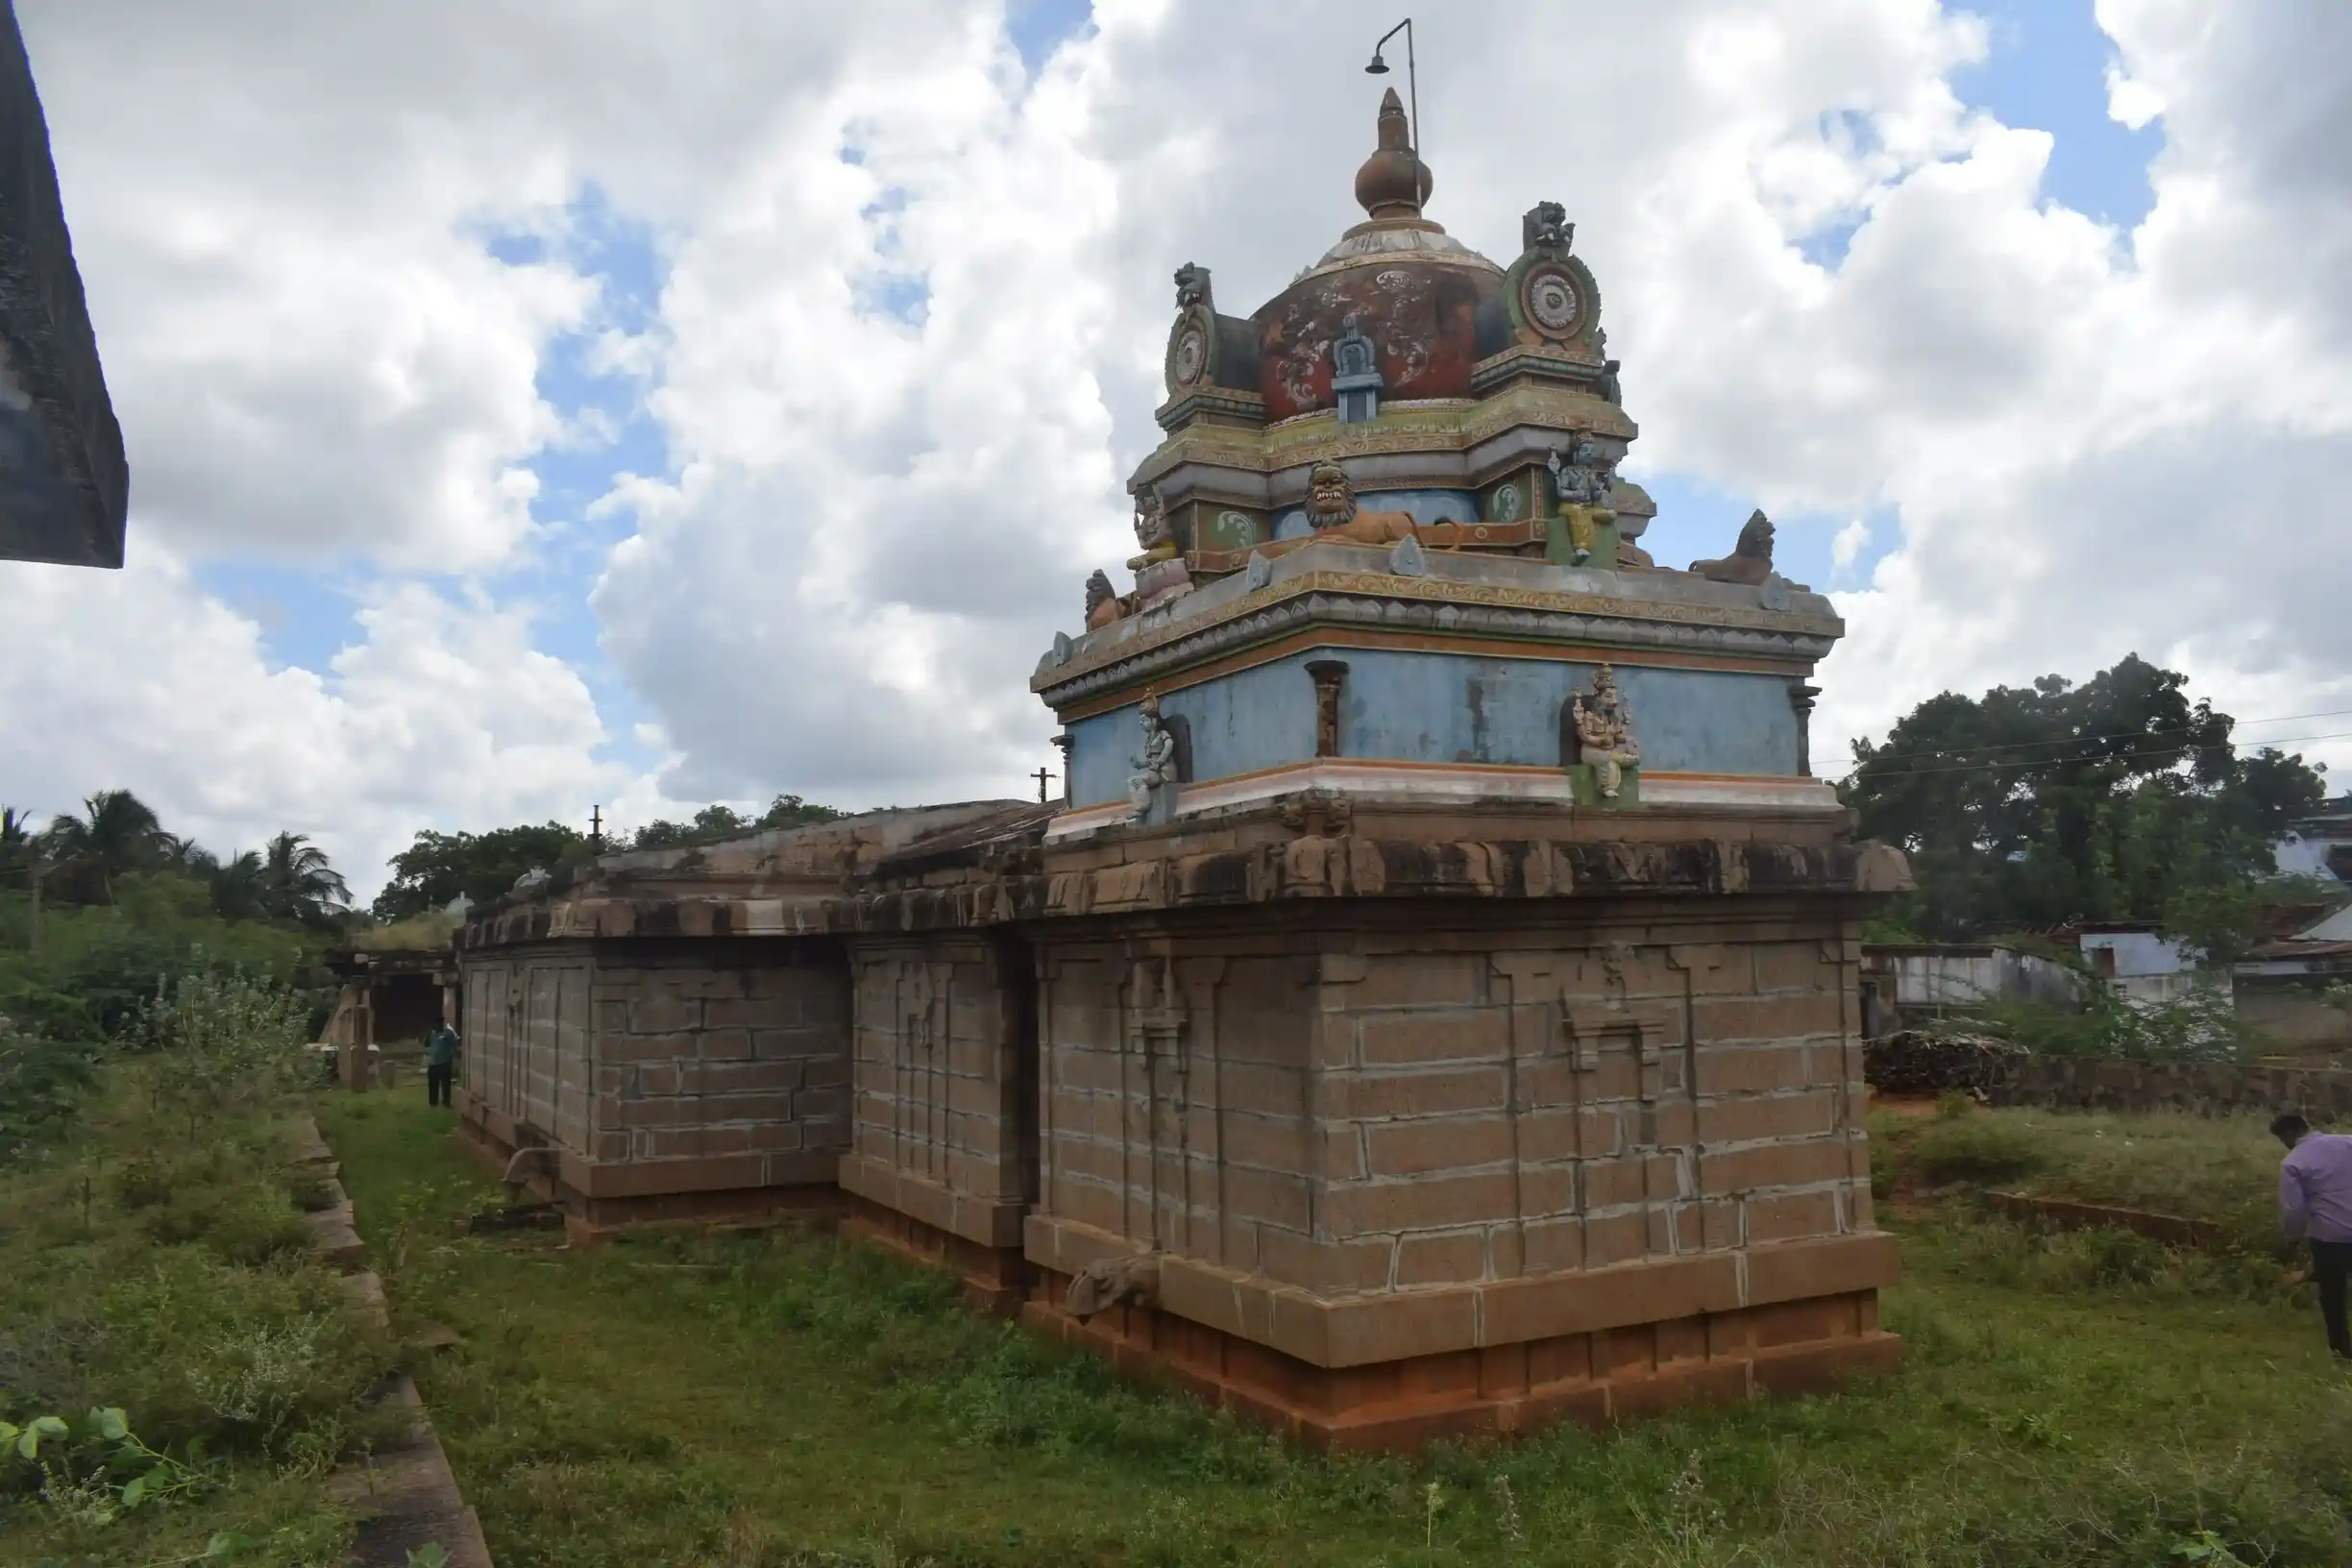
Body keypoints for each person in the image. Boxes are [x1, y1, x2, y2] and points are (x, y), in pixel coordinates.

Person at [2272, 1112, 2352, 1360]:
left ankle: (2342, 1350)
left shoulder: (2293, 1163)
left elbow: (2294, 1211)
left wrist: (2292, 1241)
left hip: (2330, 1236)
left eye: (2282, 1139)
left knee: (2333, 1295)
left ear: (2288, 1134)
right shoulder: (2347, 1142)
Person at [424, 1019, 460, 1111]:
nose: (436, 1026)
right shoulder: (433, 1034)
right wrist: (428, 1036)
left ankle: (446, 1102)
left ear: (442, 1024)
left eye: (438, 1024)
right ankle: (433, 1103)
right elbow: (426, 1044)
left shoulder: (448, 1034)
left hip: (444, 1063)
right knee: (433, 1084)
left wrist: (450, 1060)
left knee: (445, 1085)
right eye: (435, 1024)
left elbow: (453, 1047)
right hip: (433, 1063)